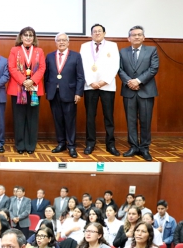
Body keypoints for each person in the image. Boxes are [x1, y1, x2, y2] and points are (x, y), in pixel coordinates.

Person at [80, 23, 122, 157]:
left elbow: (115, 65)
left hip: (107, 86)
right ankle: (90, 143)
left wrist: (104, 81)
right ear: (91, 34)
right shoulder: (85, 46)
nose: (97, 33)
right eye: (94, 31)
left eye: (99, 31)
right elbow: (83, 66)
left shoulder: (112, 45)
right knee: (90, 116)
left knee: (108, 117)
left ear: (104, 33)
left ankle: (110, 144)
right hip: (90, 86)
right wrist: (91, 82)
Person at [119, 25, 159, 161]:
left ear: (144, 37)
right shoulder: (122, 52)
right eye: (134, 35)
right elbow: (119, 69)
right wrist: (129, 82)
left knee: (145, 121)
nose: (136, 37)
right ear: (128, 38)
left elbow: (154, 68)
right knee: (130, 121)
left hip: (146, 91)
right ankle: (134, 146)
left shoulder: (152, 50)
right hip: (128, 91)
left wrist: (138, 81)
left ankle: (144, 148)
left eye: (139, 34)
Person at [44, 32, 85, 158]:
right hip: (54, 93)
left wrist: (78, 92)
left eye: (64, 40)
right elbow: (46, 76)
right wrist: (47, 90)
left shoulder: (76, 56)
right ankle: (61, 143)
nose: (61, 42)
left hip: (70, 93)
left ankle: (71, 146)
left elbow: (80, 76)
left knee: (70, 121)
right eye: (59, 40)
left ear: (68, 42)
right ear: (55, 42)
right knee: (58, 120)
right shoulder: (50, 56)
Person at [8, 27, 46, 154]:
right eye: (26, 35)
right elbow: (12, 67)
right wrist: (24, 81)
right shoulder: (15, 50)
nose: (28, 37)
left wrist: (32, 81)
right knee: (19, 118)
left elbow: (42, 68)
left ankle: (30, 145)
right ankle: (20, 145)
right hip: (18, 89)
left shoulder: (39, 51)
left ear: (34, 38)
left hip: (34, 89)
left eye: (31, 35)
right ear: (21, 37)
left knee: (32, 118)